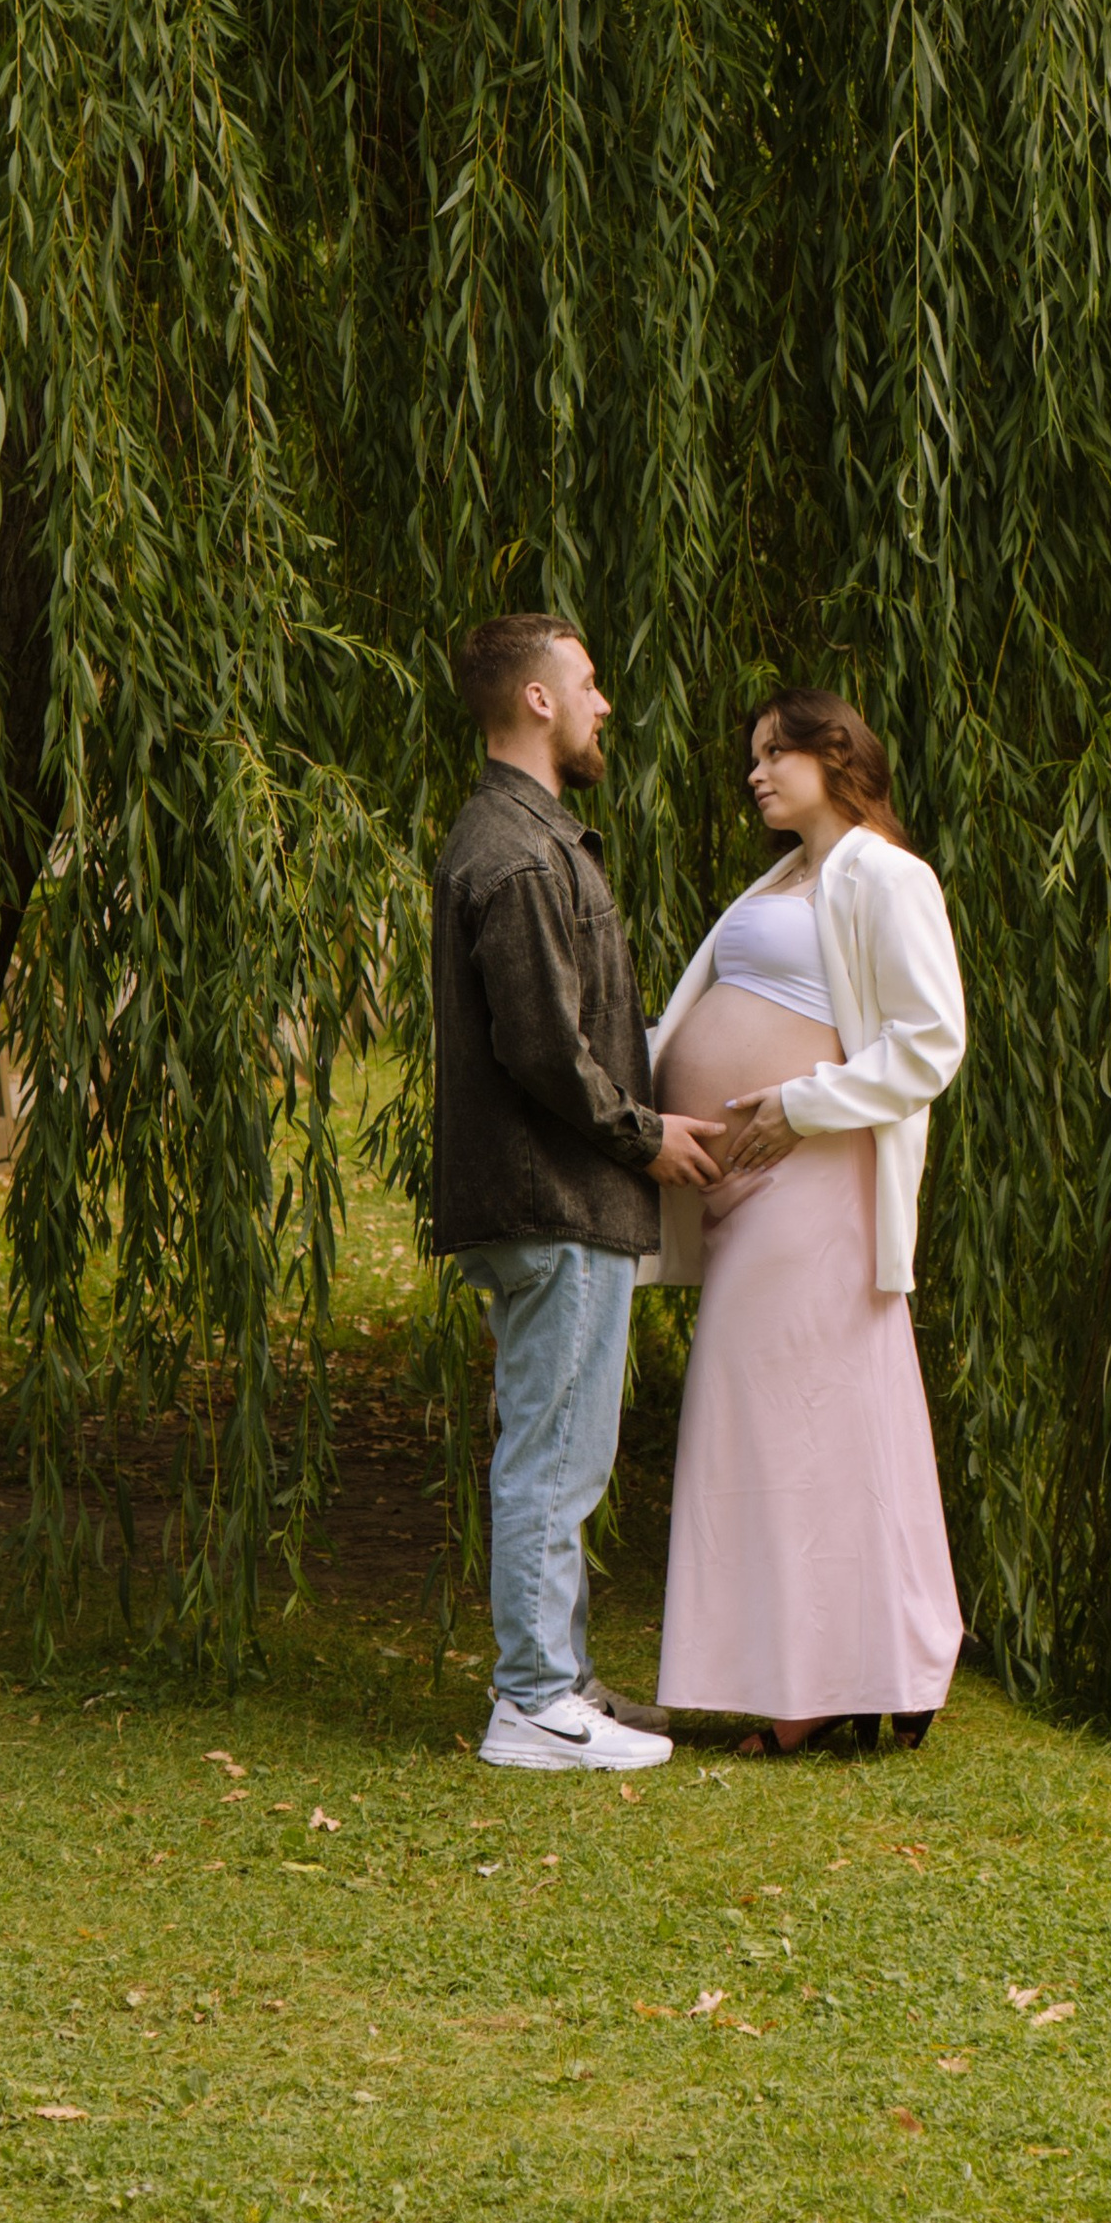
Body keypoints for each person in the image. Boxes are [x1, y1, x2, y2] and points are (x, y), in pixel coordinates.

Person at [430, 614, 725, 1771]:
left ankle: (564, 1682)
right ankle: (533, 1704)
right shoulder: (515, 853)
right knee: (554, 1456)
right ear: (538, 700)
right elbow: (544, 1046)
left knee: (561, 1449)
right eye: (589, 684)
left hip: (553, 1200)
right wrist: (643, 1138)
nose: (606, 705)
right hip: (553, 1197)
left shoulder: (528, 838)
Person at [646, 688, 968, 1749]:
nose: (754, 773)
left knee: (796, 1421)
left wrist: (800, 1103)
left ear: (834, 756)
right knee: (783, 1421)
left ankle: (823, 1688)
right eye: (752, 755)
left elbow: (931, 1040)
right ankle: (848, 1671)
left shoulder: (886, 875)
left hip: (816, 1178)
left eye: (773, 753)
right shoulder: (783, 877)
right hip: (744, 1189)